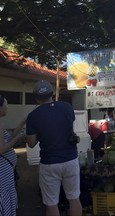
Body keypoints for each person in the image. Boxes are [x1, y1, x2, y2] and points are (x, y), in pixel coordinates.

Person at [26, 80, 82, 216]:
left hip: (49, 163)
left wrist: (41, 133)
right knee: (74, 199)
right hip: (70, 160)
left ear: (36, 98)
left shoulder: (33, 116)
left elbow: (31, 143)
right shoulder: (67, 107)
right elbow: (67, 126)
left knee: (51, 204)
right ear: (52, 93)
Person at [0, 95, 26, 216]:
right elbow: (1, 149)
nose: (7, 106)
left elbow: (8, 139)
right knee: (4, 201)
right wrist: (19, 138)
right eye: (6, 104)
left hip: (6, 171)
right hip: (2, 172)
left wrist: (23, 122)